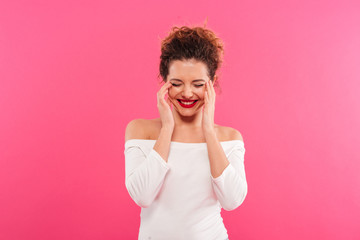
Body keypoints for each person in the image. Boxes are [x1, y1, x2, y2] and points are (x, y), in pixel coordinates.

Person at [124, 23, 247, 240]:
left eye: (198, 84)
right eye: (177, 83)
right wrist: (167, 128)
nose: (187, 93)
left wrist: (208, 130)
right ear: (165, 82)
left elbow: (232, 200)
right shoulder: (141, 130)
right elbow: (143, 195)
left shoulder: (229, 138)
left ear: (212, 83)